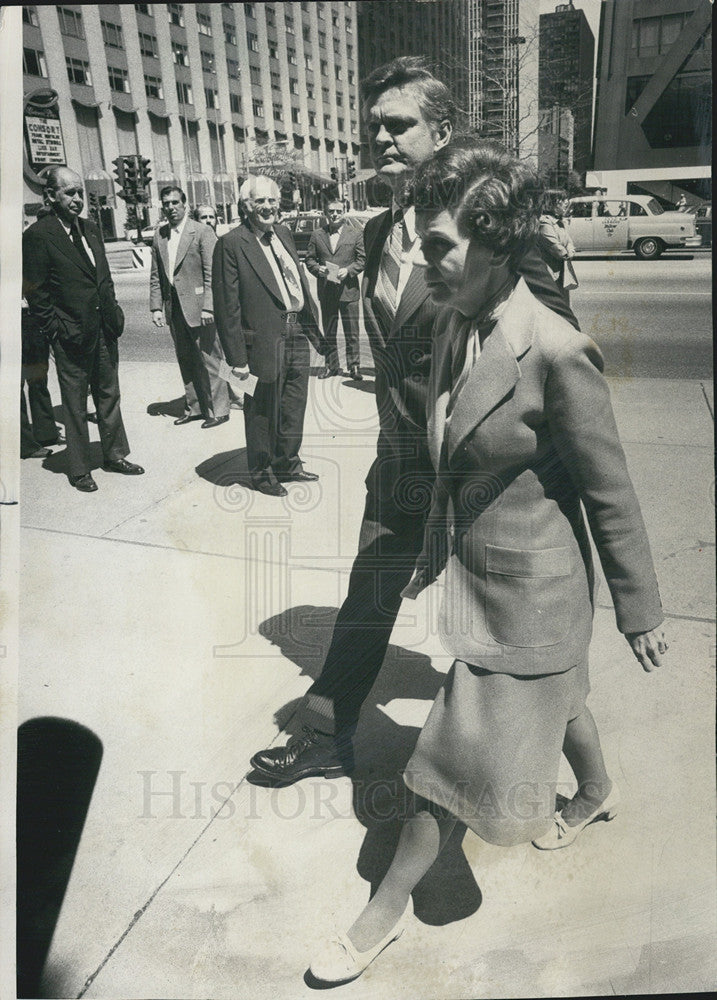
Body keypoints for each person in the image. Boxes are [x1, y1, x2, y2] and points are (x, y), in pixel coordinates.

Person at [309, 136, 668, 986]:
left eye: (438, 246)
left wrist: (639, 607)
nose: (424, 262)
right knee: (561, 699)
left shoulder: (553, 349)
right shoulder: (449, 322)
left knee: (448, 762)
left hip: (533, 595)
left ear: (497, 243)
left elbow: (607, 489)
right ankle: (593, 792)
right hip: (477, 579)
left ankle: (381, 912)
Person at [249, 57, 579, 783]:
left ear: (443, 130)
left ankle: (557, 766)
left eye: (398, 125)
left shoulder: (494, 224)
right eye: (375, 126)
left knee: (504, 626)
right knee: (368, 592)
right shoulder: (375, 234)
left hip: (480, 475)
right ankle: (328, 731)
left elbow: (555, 342)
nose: (381, 138)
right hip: (399, 464)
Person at [22, 166, 143, 492]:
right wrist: (56, 331)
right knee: (75, 404)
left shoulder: (90, 229)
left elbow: (102, 277)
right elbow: (36, 293)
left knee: (109, 395)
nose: (77, 199)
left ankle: (115, 455)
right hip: (70, 335)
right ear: (51, 195)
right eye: (69, 192)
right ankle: (79, 469)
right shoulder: (38, 236)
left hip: (103, 329)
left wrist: (114, 312)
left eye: (80, 193)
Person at [212, 175, 325, 497]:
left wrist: (316, 334)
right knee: (262, 411)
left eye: (272, 200)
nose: (267, 207)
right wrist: (237, 360)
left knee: (293, 405)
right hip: (260, 341)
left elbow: (297, 285)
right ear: (245, 206)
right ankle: (262, 474)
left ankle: (288, 464)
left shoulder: (285, 234)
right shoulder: (232, 244)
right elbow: (227, 308)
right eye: (259, 201)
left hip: (295, 333)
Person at [150, 187, 230, 429]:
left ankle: (220, 409)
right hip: (174, 308)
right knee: (186, 359)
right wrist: (156, 307)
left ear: (184, 204)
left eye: (175, 202)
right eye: (166, 203)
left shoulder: (202, 231)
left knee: (210, 359)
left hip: (199, 308)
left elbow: (213, 275)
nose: (171, 207)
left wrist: (209, 307)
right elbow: (156, 276)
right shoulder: (159, 235)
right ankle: (194, 407)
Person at [305, 199, 366, 380]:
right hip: (327, 291)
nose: (334, 214)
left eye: (338, 211)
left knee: (352, 332)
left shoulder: (355, 233)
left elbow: (362, 260)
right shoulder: (317, 235)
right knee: (329, 331)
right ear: (325, 213)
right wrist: (319, 270)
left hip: (348, 291)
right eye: (331, 211)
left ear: (344, 212)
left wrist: (347, 271)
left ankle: (354, 366)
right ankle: (331, 366)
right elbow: (309, 260)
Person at [536, 189, 577, 304]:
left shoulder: (560, 222)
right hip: (549, 275)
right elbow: (556, 248)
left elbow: (569, 242)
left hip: (561, 273)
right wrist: (567, 254)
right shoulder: (544, 223)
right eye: (562, 200)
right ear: (551, 203)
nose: (566, 202)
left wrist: (570, 251)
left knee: (563, 306)